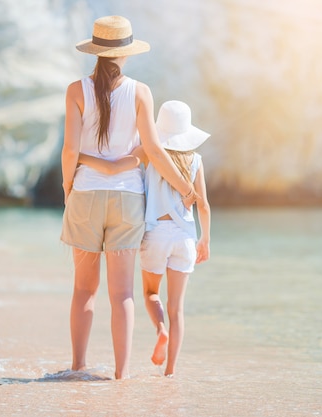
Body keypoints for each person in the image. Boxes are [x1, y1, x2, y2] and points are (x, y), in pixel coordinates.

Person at [60, 16, 197, 380]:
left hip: (85, 195)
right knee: (122, 294)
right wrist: (185, 188)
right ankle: (121, 376)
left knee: (83, 290)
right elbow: (153, 148)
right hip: (127, 199)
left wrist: (67, 190)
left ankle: (78, 367)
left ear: (96, 51)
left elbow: (69, 150)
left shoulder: (76, 90)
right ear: (126, 54)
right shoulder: (140, 92)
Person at [79, 100, 211, 377]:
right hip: (186, 237)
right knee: (178, 309)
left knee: (151, 293)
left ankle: (159, 330)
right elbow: (203, 205)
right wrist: (205, 240)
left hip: (155, 233)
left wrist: (81, 156)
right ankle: (171, 371)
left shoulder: (150, 151)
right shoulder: (196, 161)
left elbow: (117, 167)